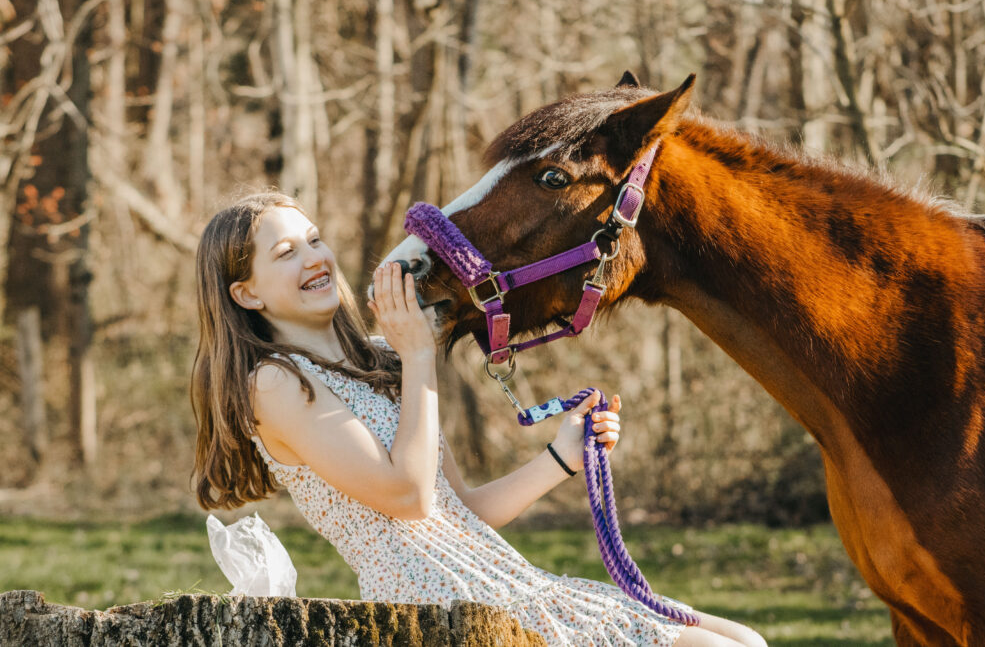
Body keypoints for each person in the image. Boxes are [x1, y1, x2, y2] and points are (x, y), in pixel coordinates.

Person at [191, 192, 766, 647]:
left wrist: (563, 455)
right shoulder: (273, 383)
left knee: (745, 638)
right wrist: (419, 356)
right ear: (246, 294)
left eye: (313, 239)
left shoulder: (383, 356)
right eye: (285, 253)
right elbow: (407, 498)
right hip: (434, 605)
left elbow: (458, 509)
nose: (314, 257)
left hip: (499, 579)